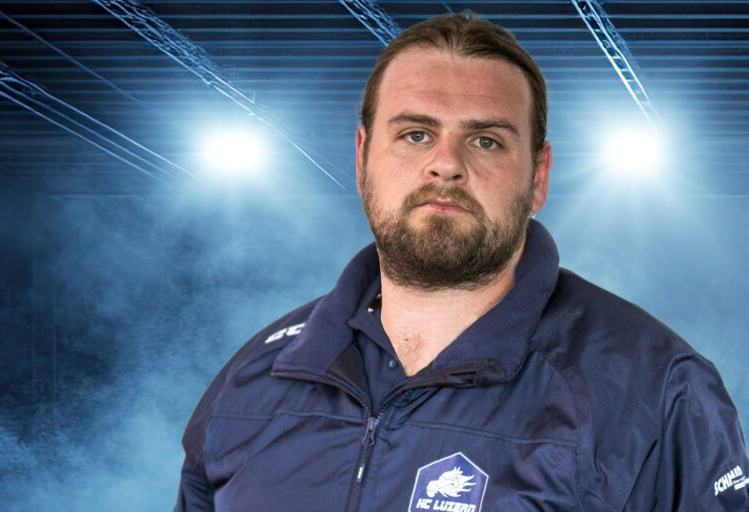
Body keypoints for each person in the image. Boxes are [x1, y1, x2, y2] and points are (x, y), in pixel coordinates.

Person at [174, 12, 749, 511]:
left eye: (486, 141)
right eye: (415, 135)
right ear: (362, 156)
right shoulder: (254, 378)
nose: (446, 164)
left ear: (539, 176)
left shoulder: (656, 388)